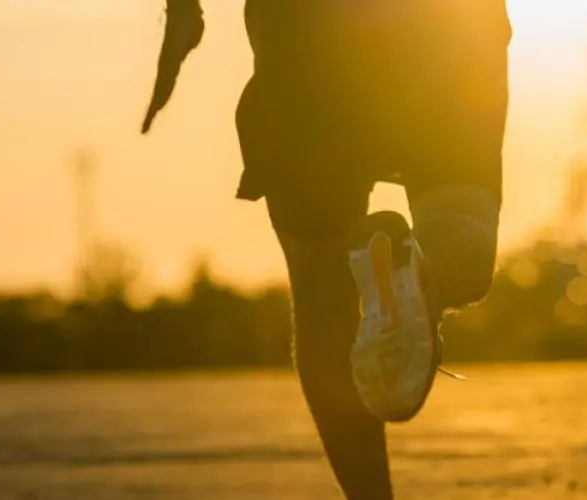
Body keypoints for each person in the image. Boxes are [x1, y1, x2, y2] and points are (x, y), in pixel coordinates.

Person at [142, 1, 510, 497]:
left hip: (303, 34)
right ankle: (424, 276)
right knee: (460, 220)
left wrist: (184, 13)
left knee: (322, 297)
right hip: (445, 30)